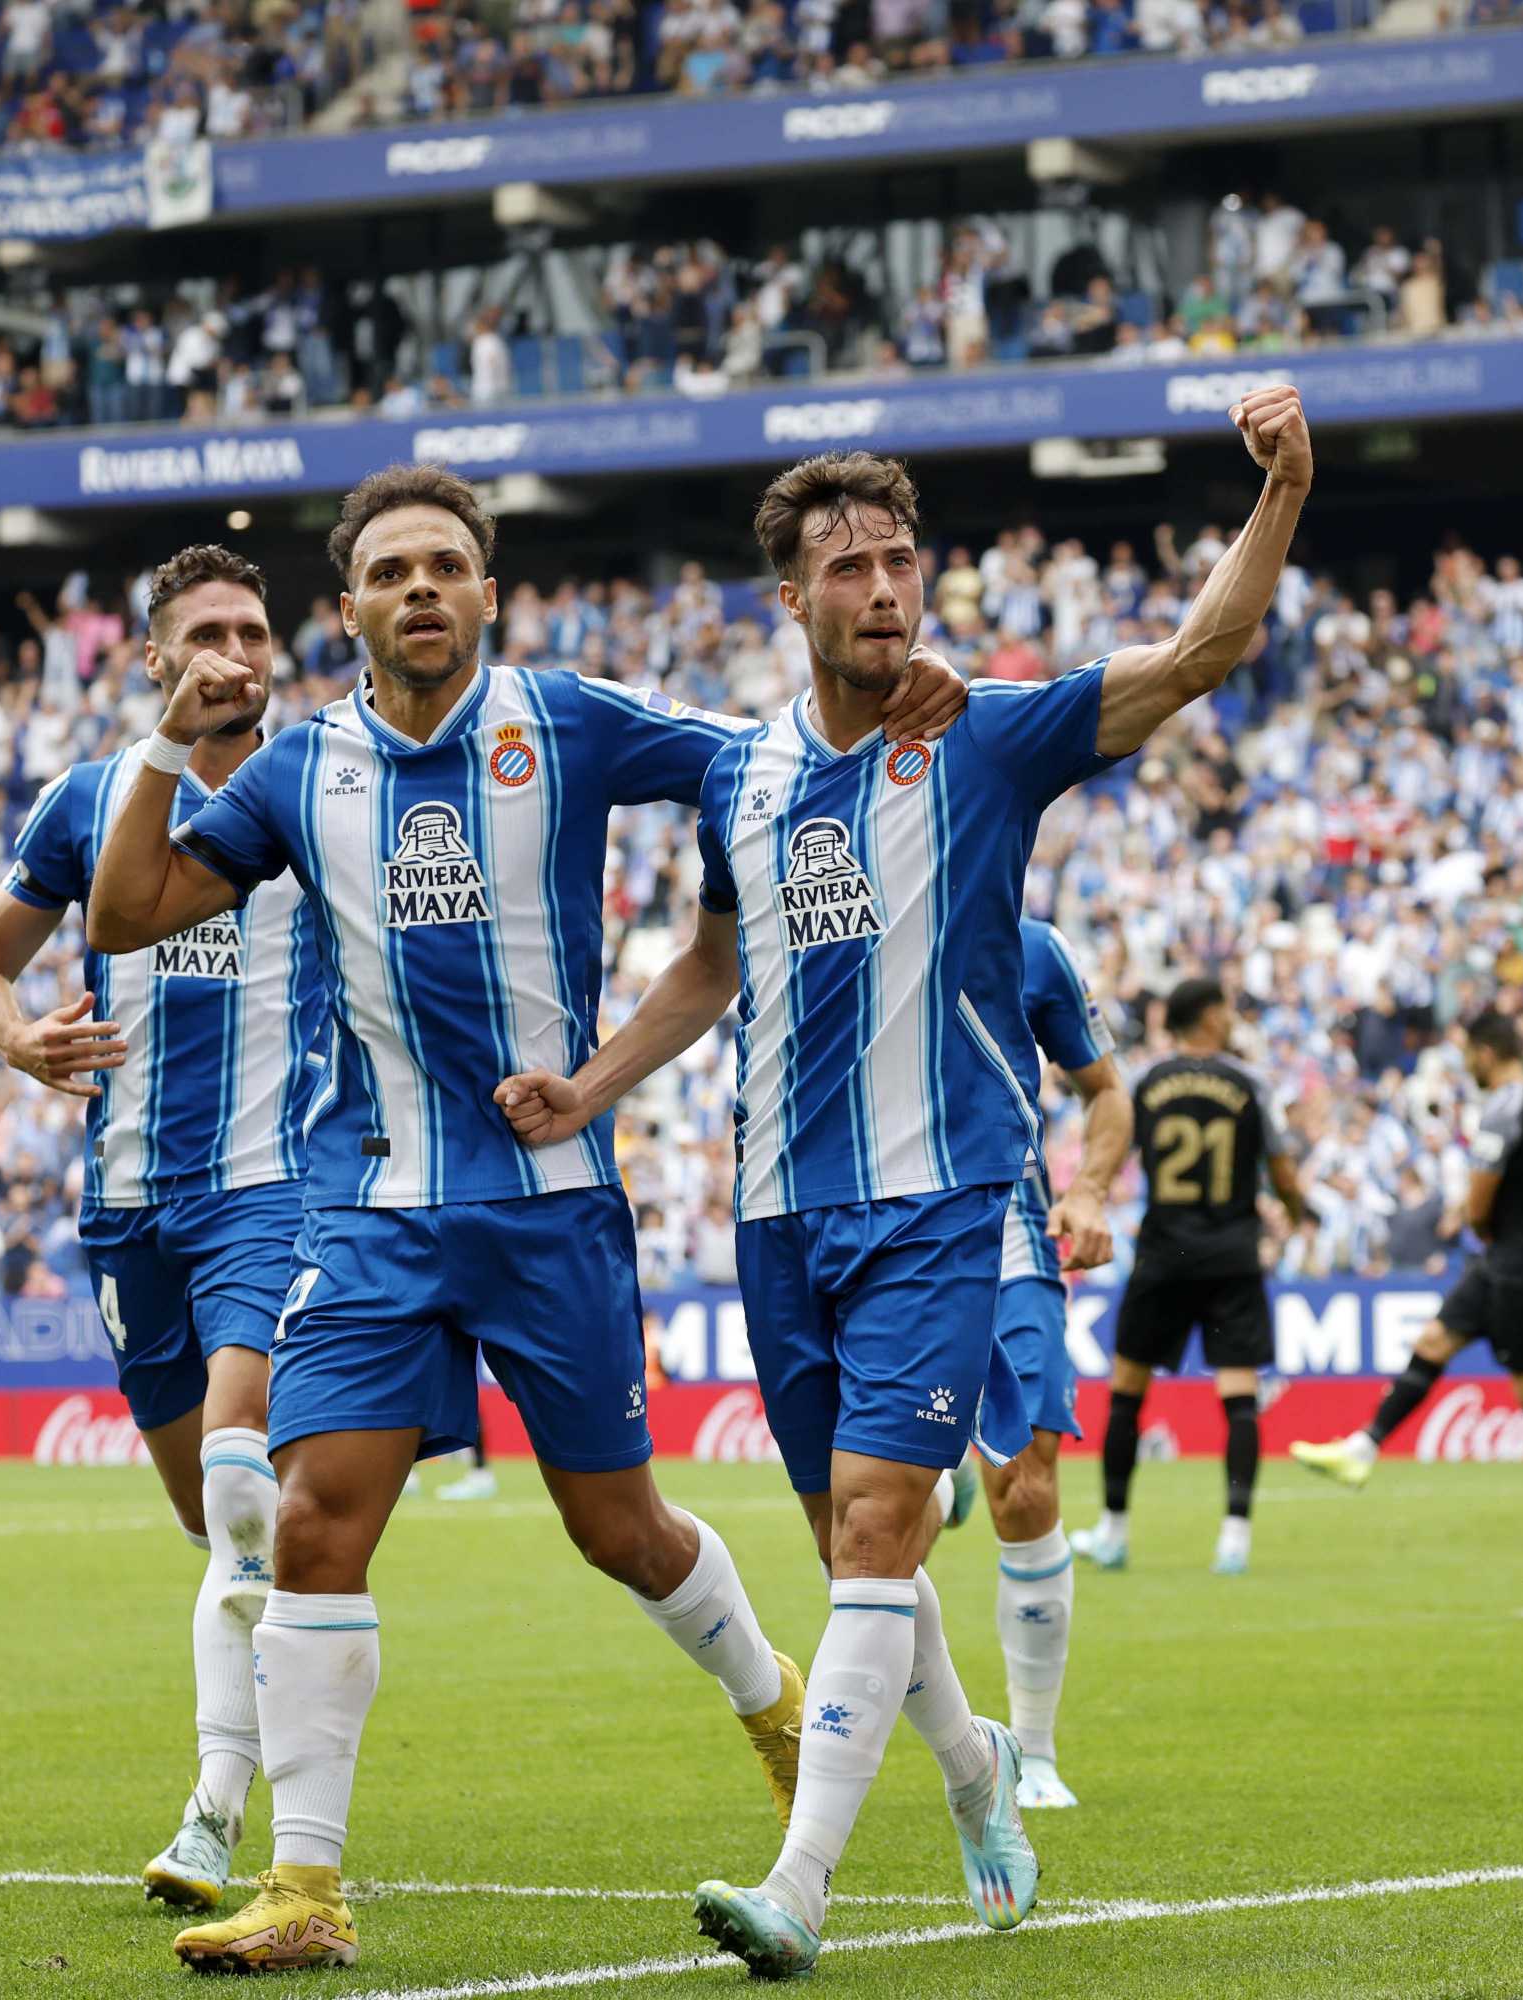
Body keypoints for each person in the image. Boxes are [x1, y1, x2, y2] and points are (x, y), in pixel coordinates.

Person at [87, 466, 964, 1975]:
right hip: (371, 1213)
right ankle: (306, 1887)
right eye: (387, 572)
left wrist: (905, 693)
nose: (418, 589)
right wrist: (168, 737)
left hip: (551, 1211)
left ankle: (768, 1706)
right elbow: (123, 915)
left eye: (445, 566)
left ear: (488, 595)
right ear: (350, 608)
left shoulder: (563, 720)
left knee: (615, 1528)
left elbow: (759, 766)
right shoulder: (297, 772)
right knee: (311, 1525)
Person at [497, 390, 1314, 1978]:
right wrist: (589, 1087)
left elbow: (1201, 655)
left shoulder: (988, 733)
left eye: (900, 559)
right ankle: (973, 1766)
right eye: (851, 566)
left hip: (943, 1201)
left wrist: (1281, 486)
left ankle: (798, 1886)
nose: (885, 586)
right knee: (849, 1549)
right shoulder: (738, 775)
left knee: (882, 1533)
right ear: (789, 600)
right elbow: (713, 966)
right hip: (779, 1215)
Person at [0, 544, 317, 1911]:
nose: (238, 651)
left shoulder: (318, 782)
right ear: (153, 659)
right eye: (208, 631)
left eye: (255, 629)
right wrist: (19, 1040)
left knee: (235, 1485)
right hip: (128, 1212)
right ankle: (292, 1662)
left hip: (274, 1190)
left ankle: (220, 1811)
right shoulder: (92, 798)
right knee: (218, 1526)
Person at [1290, 1011, 1523, 1547]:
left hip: (1519, 1264)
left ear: (1486, 1054)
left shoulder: (1502, 1110)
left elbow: (1478, 1202)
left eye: (1469, 1053)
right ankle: (1363, 1448)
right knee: (1434, 1341)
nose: (1467, 1064)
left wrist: (1483, 1225)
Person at [957, 916, 1129, 1810]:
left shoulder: (1030, 946)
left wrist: (1090, 1186)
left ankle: (1032, 1748)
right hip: (865, 1230)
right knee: (872, 1512)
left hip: (1010, 1238)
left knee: (1025, 1484)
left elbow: (1108, 1091)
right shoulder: (837, 907)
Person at [1071, 975, 1305, 1577]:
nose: (1230, 1017)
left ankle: (1114, 1531)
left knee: (1127, 1393)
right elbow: (1280, 1168)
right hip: (1231, 1254)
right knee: (1239, 1396)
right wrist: (1300, 1213)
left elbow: (1114, 1150)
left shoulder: (1147, 1084)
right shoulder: (1248, 1082)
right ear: (1206, 1015)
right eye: (1224, 1007)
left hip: (1163, 1253)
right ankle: (1234, 1537)